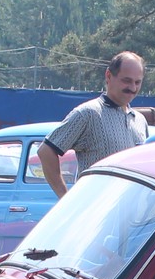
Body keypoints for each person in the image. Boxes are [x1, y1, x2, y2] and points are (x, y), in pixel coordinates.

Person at [39, 51, 148, 197]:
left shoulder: (140, 120)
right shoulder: (88, 113)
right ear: (108, 76)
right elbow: (46, 151)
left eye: (137, 82)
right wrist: (65, 197)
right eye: (126, 80)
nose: (133, 88)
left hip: (129, 208)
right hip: (96, 207)